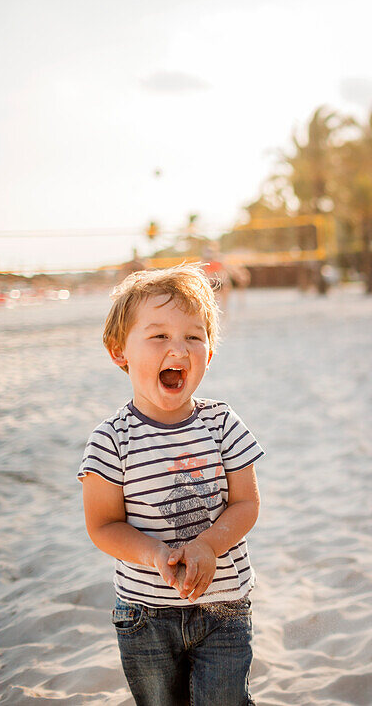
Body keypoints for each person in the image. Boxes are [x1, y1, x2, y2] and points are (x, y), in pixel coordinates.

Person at [78, 264, 263, 706]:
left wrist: (208, 545)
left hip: (224, 608)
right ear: (119, 351)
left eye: (193, 337)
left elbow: (246, 504)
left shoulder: (222, 424)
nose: (177, 348)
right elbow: (103, 525)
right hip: (144, 614)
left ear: (210, 353)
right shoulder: (110, 441)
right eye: (159, 336)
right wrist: (154, 554)